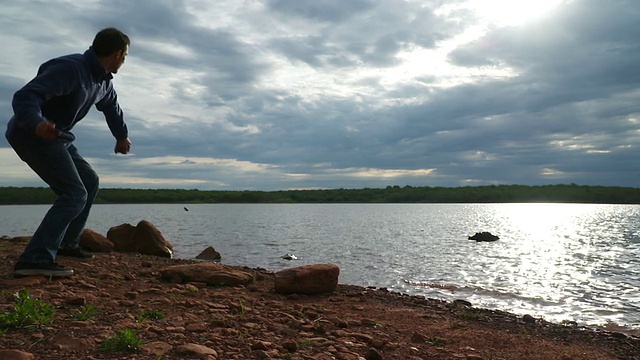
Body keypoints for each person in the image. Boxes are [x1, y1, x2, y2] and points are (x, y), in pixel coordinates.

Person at [5, 27, 132, 277]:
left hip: (58, 136)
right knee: (74, 193)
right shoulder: (71, 69)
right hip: (30, 134)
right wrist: (37, 123)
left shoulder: (103, 81)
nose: (124, 61)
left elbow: (112, 108)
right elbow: (26, 96)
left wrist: (121, 136)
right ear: (117, 53)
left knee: (89, 181)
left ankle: (66, 243)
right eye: (125, 56)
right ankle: (35, 258)